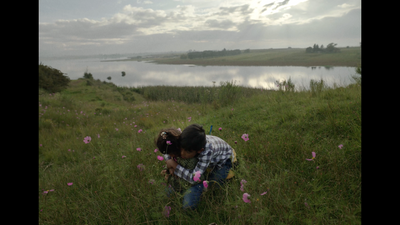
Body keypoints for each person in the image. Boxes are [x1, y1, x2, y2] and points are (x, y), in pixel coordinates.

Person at [166, 124, 237, 210]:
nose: (182, 153)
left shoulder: (207, 152)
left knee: (213, 184)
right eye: (181, 148)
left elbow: (194, 178)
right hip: (212, 157)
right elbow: (165, 145)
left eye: (187, 151)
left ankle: (231, 171)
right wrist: (168, 160)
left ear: (200, 150)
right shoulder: (188, 139)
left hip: (225, 160)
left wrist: (174, 165)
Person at [155, 128, 206, 194]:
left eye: (171, 154)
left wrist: (171, 174)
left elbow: (195, 179)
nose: (171, 156)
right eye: (168, 154)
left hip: (191, 185)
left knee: (188, 202)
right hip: (178, 183)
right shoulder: (175, 153)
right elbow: (170, 162)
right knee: (165, 194)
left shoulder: (189, 158)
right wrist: (168, 170)